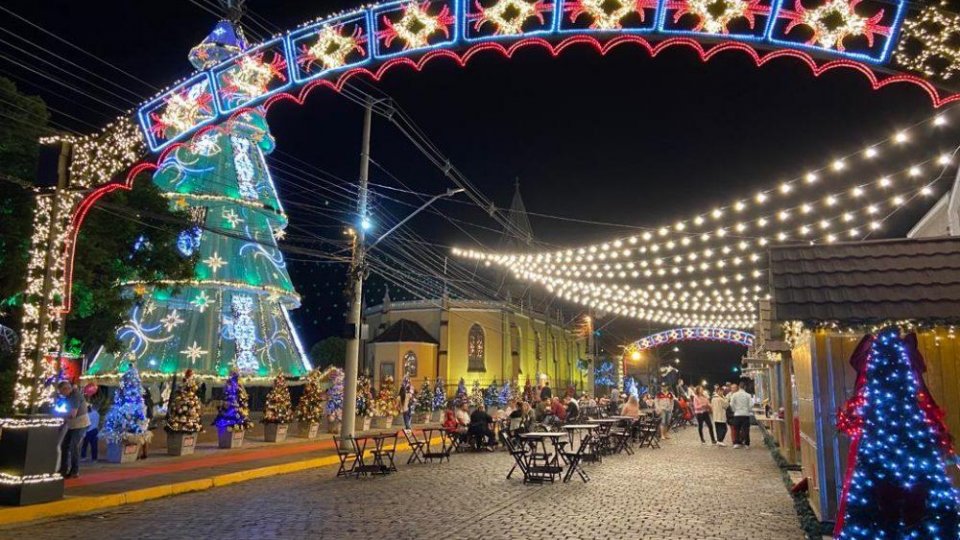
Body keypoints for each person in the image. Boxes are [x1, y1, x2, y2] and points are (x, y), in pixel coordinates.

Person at [56, 381, 90, 478]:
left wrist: (58, 415)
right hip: (72, 425)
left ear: (66, 389)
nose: (61, 394)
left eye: (61, 392)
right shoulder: (69, 396)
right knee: (64, 445)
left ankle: (74, 471)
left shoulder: (75, 396)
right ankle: (63, 469)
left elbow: (72, 414)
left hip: (80, 424)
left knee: (74, 446)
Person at [729, 382, 753, 448]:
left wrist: (734, 410)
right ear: (745, 387)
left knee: (736, 429)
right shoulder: (748, 395)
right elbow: (751, 405)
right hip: (745, 414)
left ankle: (736, 443)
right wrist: (748, 410)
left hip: (737, 414)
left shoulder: (735, 395)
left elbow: (731, 404)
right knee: (746, 430)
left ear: (739, 387)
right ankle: (747, 444)